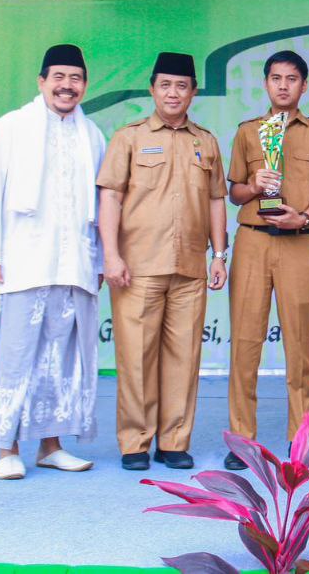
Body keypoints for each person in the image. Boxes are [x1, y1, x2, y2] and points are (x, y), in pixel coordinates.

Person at [0, 43, 106, 480]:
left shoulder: (93, 135)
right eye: (59, 78)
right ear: (42, 81)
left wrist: (101, 259)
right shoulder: (12, 127)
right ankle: (6, 448)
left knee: (64, 361)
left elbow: (104, 207)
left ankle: (52, 446)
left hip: (75, 266)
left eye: (76, 79)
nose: (67, 87)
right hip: (23, 262)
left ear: (85, 85)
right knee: (17, 357)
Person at [97, 52, 229, 471]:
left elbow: (215, 200)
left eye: (182, 86)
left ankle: (174, 441)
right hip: (137, 268)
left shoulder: (205, 141)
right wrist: (111, 255)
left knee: (184, 357)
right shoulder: (128, 138)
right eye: (166, 85)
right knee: (136, 357)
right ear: (153, 89)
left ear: (193, 92)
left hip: (190, 267)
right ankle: (135, 442)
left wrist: (219, 254)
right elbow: (110, 197)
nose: (174, 93)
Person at [225, 50, 309, 468]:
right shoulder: (247, 132)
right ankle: (242, 441)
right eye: (275, 78)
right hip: (254, 242)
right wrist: (254, 185)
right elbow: (234, 191)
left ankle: (303, 439)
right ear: (265, 83)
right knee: (244, 343)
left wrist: (305, 216)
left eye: (291, 79)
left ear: (304, 86)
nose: (282, 85)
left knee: (301, 344)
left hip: (300, 242)